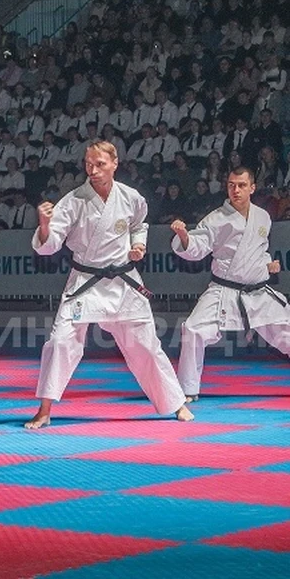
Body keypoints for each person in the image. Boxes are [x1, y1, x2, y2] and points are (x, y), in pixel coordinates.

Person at [24, 141, 194, 429]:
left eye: (100, 164)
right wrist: (44, 225)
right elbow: (49, 246)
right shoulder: (74, 200)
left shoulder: (131, 197)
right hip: (85, 281)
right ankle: (44, 409)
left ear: (115, 163)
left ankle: (175, 403)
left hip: (124, 281)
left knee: (146, 346)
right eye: (88, 164)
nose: (93, 170)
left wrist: (138, 245)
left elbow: (140, 224)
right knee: (60, 341)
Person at [171, 167, 290, 402]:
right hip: (223, 290)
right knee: (193, 329)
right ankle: (187, 389)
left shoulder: (263, 216)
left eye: (242, 185)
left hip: (258, 292)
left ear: (252, 188)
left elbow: (259, 250)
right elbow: (198, 246)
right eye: (231, 185)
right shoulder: (216, 219)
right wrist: (185, 236)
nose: (236, 190)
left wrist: (268, 264)